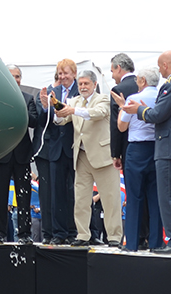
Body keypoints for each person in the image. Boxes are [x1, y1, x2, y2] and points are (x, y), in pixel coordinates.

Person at [116, 50, 171, 255]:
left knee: (165, 196)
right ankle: (166, 241)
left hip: (169, 147)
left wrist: (137, 110)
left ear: (166, 65)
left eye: (160, 67)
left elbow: (157, 114)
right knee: (162, 195)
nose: (160, 71)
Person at [54, 70, 122, 247]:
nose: (83, 87)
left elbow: (97, 113)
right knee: (81, 200)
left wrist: (73, 109)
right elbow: (61, 120)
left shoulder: (104, 99)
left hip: (103, 156)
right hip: (81, 155)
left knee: (110, 199)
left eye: (86, 84)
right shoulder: (74, 101)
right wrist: (53, 107)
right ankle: (83, 235)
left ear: (94, 85)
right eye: (81, 83)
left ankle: (114, 237)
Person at [0, 66, 41, 244]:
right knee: (0, 196)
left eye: (18, 76)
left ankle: (24, 234)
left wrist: (20, 109)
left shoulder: (28, 99)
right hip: (1, 154)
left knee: (24, 196)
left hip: (22, 155)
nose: (15, 79)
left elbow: (35, 122)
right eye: (12, 76)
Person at [117, 67, 162, 251]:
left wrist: (122, 107)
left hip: (136, 150)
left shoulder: (132, 99)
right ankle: (157, 243)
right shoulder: (161, 97)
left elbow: (121, 126)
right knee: (154, 198)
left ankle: (133, 243)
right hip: (156, 148)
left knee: (134, 197)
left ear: (142, 80)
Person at [35, 59, 79, 245]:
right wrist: (45, 107)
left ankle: (76, 231)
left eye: (66, 73)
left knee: (76, 193)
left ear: (74, 74)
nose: (62, 77)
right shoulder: (54, 92)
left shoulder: (82, 89)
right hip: (55, 149)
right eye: (60, 74)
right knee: (57, 193)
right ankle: (59, 233)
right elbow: (43, 121)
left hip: (76, 147)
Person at [108, 53, 138, 173]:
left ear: (118, 68)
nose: (112, 76)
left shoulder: (118, 90)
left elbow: (115, 123)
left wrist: (116, 153)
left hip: (128, 145)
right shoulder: (144, 85)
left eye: (112, 71)